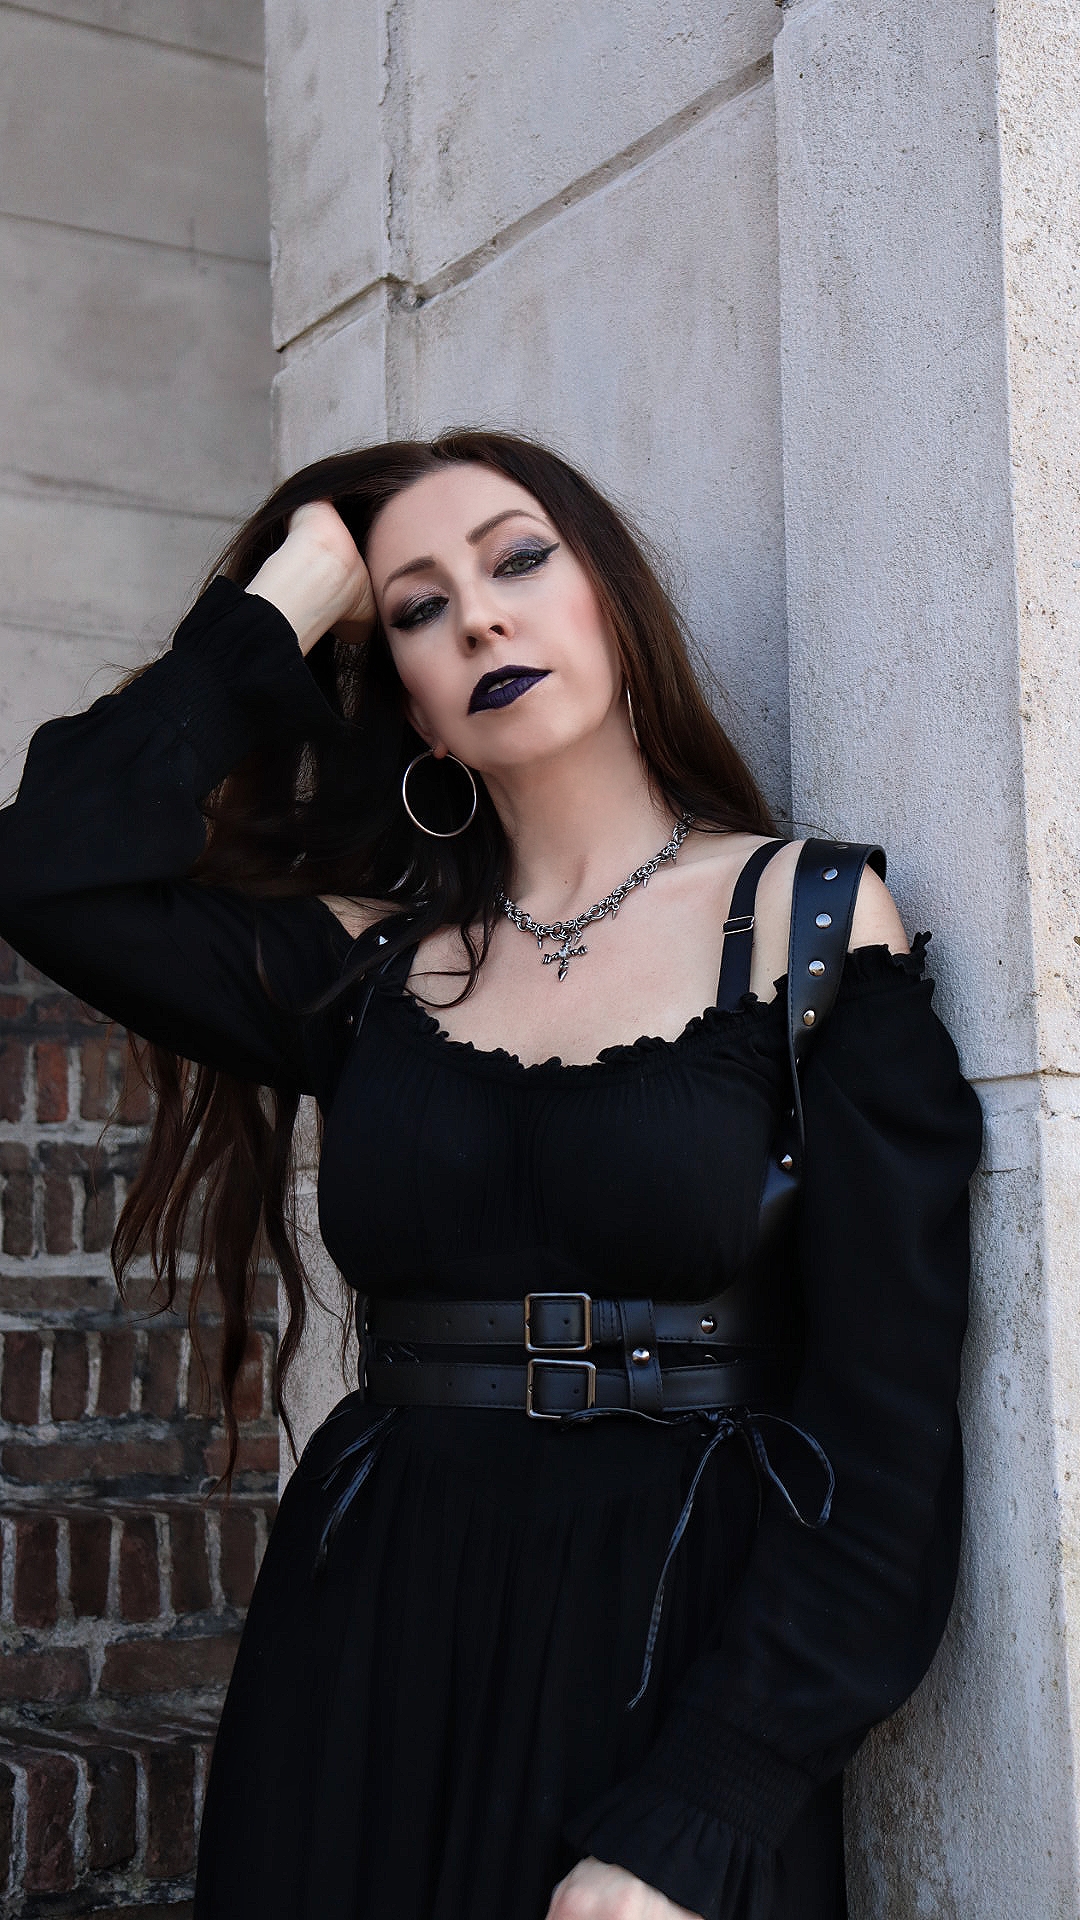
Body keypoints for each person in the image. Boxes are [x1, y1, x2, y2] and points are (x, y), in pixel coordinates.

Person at [0, 428, 983, 1920]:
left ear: (614, 605)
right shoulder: (368, 967)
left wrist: (703, 1810)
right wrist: (279, 604)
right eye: (417, 606)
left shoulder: (811, 923)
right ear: (416, 710)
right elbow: (45, 868)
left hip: (669, 1647)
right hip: (362, 1650)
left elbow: (886, 1432)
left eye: (519, 560)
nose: (479, 620)